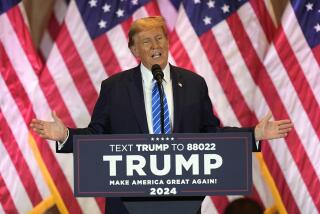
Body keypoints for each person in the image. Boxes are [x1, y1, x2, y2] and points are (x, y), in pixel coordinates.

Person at [30, 16, 293, 214]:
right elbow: (97, 136)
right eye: (146, 41)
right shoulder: (115, 87)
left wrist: (254, 134)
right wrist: (64, 135)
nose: (155, 45)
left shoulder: (193, 83)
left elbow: (211, 133)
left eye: (160, 38)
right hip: (127, 204)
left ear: (167, 42)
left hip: (180, 202)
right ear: (134, 51)